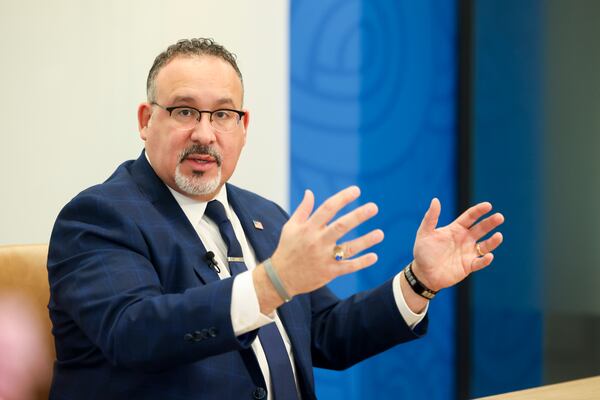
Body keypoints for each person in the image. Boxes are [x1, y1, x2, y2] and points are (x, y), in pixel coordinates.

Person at [47, 38, 504, 400]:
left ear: (243, 127)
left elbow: (325, 336)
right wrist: (271, 283)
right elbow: (135, 333)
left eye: (222, 114)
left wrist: (418, 281)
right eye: (185, 111)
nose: (204, 134)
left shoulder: (264, 216)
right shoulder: (99, 217)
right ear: (147, 120)